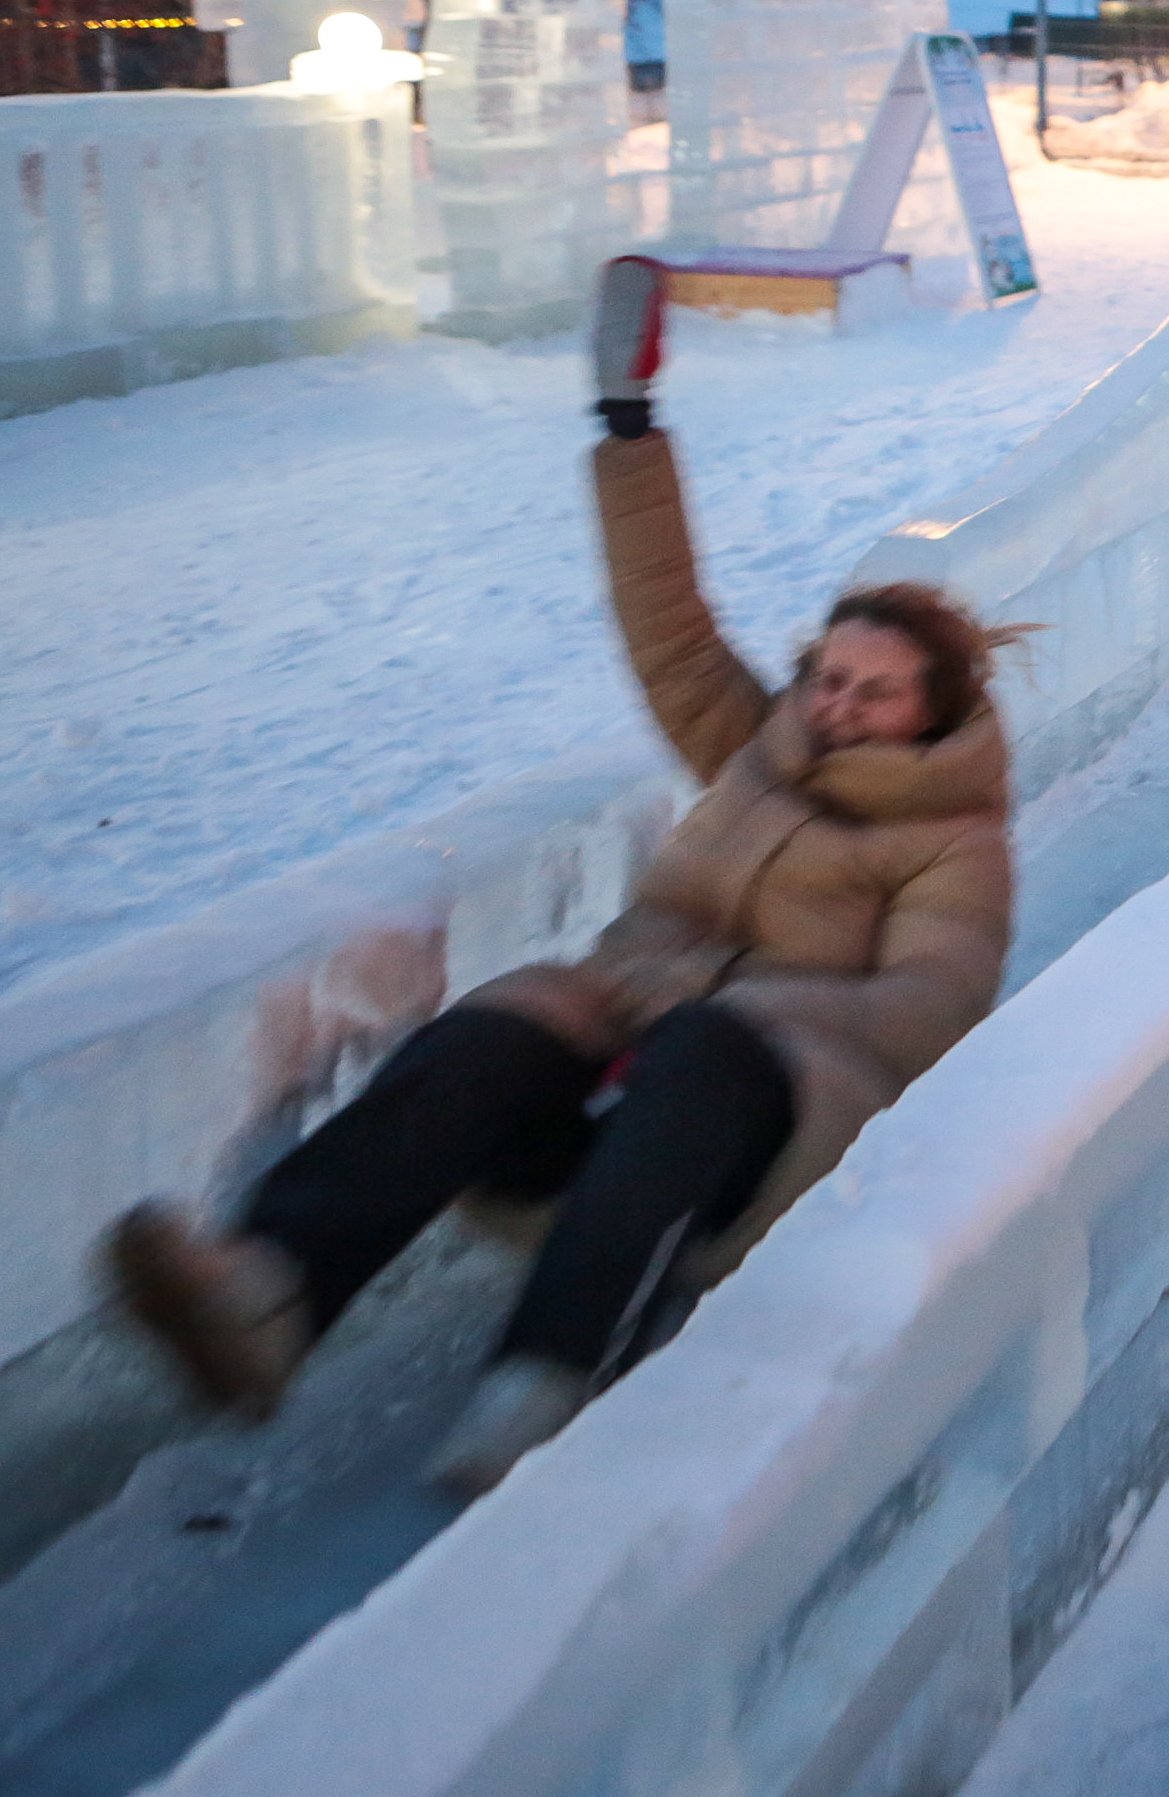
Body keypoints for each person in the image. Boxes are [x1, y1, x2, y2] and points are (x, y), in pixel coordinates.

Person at [103, 405, 1019, 1496]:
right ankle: (272, 1289)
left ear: (933, 713)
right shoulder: (760, 748)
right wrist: (629, 431)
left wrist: (742, 1019)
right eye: (829, 676)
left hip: (758, 1125)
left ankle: (545, 1382)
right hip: (614, 1060)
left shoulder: (954, 841)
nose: (838, 707)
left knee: (700, 1056)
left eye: (877, 692)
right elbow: (669, 629)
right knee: (494, 1036)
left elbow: (936, 1000)